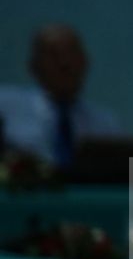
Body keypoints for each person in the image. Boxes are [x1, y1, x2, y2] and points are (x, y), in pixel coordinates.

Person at [0, 24, 119, 171]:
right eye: (53, 55)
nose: (65, 63)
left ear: (85, 62)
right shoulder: (5, 107)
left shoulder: (105, 124)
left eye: (72, 54)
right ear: (33, 65)